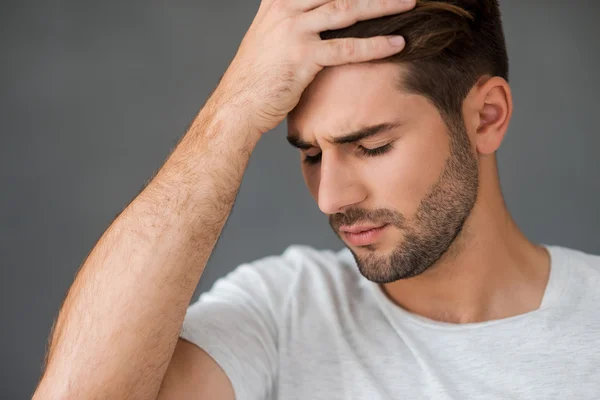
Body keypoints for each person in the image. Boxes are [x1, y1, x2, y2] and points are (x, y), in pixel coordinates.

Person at [33, 0, 600, 399]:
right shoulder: (283, 311)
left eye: (372, 146)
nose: (330, 197)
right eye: (310, 155)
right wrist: (232, 112)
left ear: (486, 116)